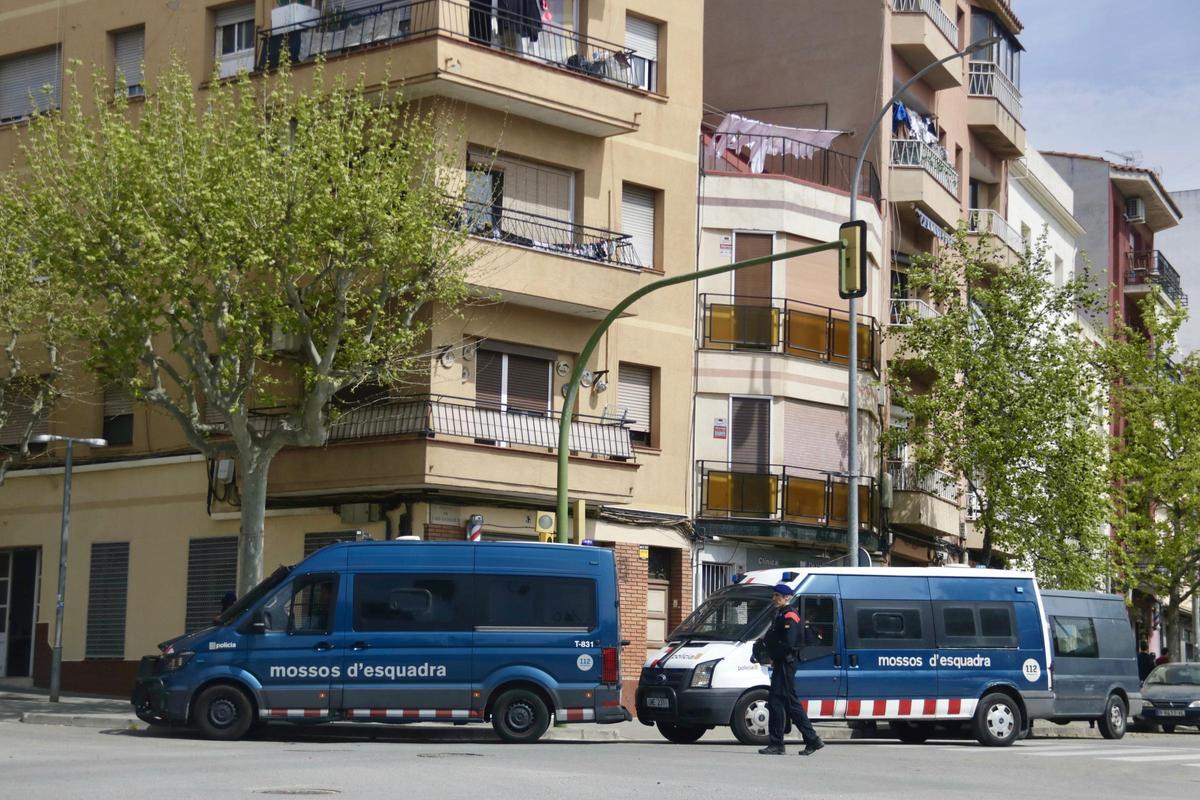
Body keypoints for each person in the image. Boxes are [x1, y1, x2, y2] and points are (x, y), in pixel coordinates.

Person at [756, 583, 824, 756]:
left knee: (789, 703)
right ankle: (782, 743)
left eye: (777, 596)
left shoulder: (790, 615)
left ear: (787, 597)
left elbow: (788, 643)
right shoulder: (780, 614)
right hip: (781, 663)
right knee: (777, 702)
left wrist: (774, 656)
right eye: (774, 595)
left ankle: (810, 739)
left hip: (786, 663)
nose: (774, 598)